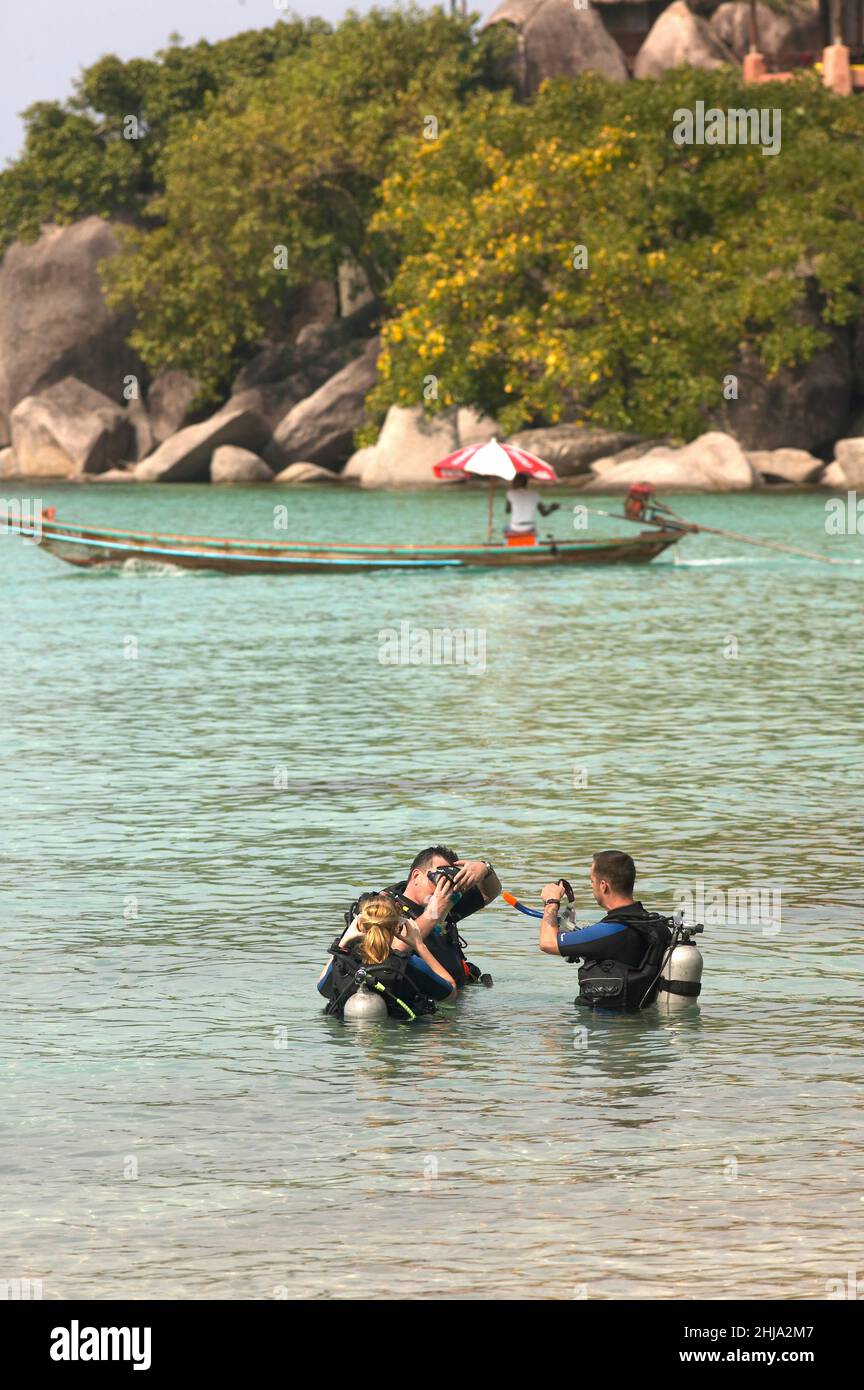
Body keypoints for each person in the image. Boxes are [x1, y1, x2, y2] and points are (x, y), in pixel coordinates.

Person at [341, 846, 501, 990]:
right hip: (418, 1003)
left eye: (448, 881)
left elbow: (489, 892)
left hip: (452, 998)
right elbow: (391, 952)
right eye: (438, 879)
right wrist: (433, 913)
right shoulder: (384, 908)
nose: (442, 888)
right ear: (416, 876)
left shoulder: (446, 903)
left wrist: (484, 868)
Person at [536, 851, 672, 1012]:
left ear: (603, 885)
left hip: (606, 1029)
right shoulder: (655, 925)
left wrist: (551, 903)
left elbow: (547, 943)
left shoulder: (611, 931)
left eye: (592, 881)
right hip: (638, 1024)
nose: (591, 886)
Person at [318, 894, 455, 1020]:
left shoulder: (342, 964)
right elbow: (450, 993)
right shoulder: (410, 965)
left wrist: (342, 943)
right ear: (397, 928)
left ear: (360, 925)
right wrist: (419, 945)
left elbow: (322, 989)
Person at [504, 472, 559, 539]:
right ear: (526, 483)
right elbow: (544, 513)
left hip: (515, 527)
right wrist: (552, 508)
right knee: (537, 530)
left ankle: (508, 545)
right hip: (530, 527)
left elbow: (507, 511)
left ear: (515, 482)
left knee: (505, 528)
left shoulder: (510, 493)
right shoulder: (534, 494)